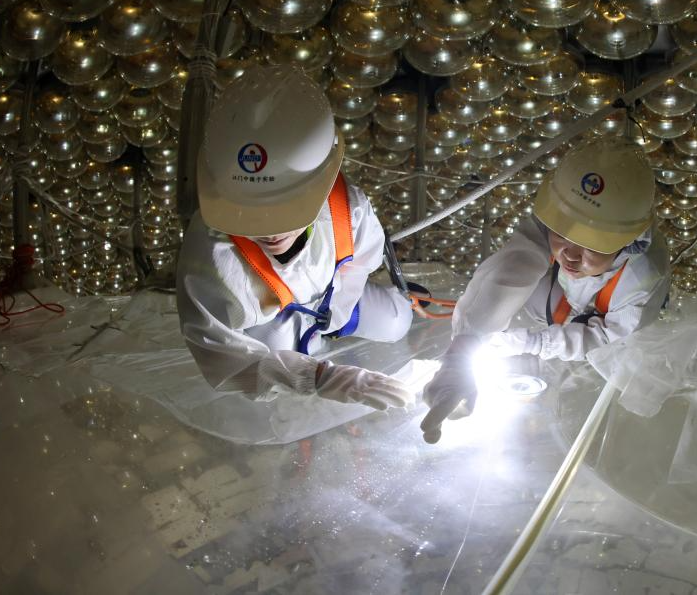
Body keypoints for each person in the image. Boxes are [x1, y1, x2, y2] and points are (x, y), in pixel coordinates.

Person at [176, 65, 414, 411]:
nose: (269, 232)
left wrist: (335, 314)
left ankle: (323, 336)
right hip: (272, 327)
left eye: (286, 213)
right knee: (276, 369)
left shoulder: (347, 208)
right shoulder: (210, 258)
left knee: (397, 321)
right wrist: (315, 376)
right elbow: (221, 355)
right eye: (250, 216)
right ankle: (299, 359)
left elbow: (361, 263)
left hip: (329, 303)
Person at [420, 139, 670, 442]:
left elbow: (607, 338)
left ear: (630, 241)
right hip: (558, 304)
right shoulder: (556, 217)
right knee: (522, 290)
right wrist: (463, 349)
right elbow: (510, 268)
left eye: (592, 245)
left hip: (608, 340)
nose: (571, 255)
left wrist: (537, 343)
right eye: (563, 235)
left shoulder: (642, 279)